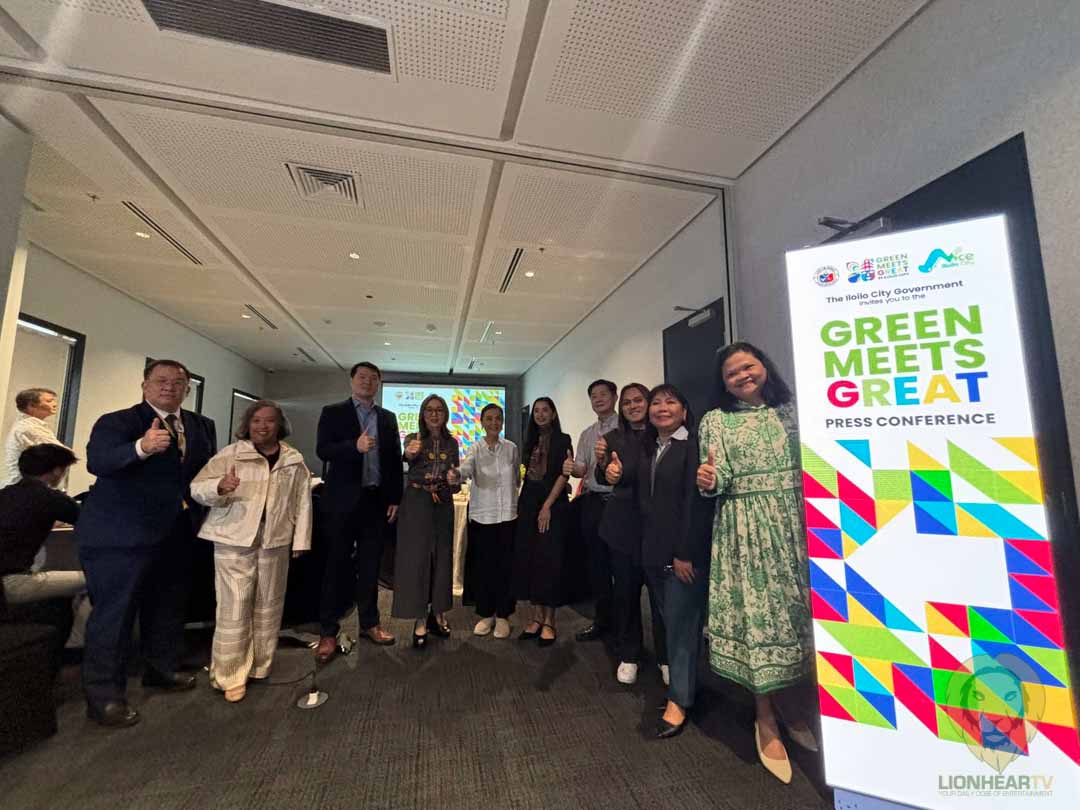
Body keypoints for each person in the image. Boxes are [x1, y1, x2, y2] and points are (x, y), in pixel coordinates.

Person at [696, 342, 816, 782]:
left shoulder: (795, 411)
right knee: (758, 622)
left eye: (748, 366)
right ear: (723, 383)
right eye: (732, 373)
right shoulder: (716, 420)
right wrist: (709, 478)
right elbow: (717, 478)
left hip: (799, 526)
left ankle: (792, 705)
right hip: (746, 531)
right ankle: (765, 717)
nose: (742, 376)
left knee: (798, 620)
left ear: (764, 366)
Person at [76, 359, 217, 727]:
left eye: (178, 382)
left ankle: (161, 669)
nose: (169, 387)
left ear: (187, 388)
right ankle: (104, 697)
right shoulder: (118, 422)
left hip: (176, 533)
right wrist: (141, 447)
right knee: (115, 616)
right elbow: (98, 462)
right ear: (145, 385)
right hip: (121, 536)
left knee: (167, 607)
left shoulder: (201, 426)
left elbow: (200, 475)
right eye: (161, 380)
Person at [190, 400, 312, 702]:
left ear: (279, 425)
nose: (262, 426)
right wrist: (220, 486)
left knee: (269, 604)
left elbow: (302, 502)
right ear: (248, 424)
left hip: (275, 540)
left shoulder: (293, 459)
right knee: (234, 606)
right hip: (233, 538)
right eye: (256, 420)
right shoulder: (231, 454)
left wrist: (300, 541)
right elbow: (197, 488)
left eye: (269, 420)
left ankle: (259, 666)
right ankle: (230, 675)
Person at [605, 384, 707, 739]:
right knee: (671, 621)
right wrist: (612, 472)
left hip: (680, 556)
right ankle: (684, 686)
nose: (662, 408)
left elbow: (694, 504)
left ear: (684, 410)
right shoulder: (650, 446)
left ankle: (679, 701)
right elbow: (631, 485)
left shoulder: (692, 446)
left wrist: (685, 553)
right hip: (652, 552)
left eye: (671, 402)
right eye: (658, 403)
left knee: (681, 628)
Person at [314, 361, 404, 661]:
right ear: (352, 380)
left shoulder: (388, 418)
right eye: (362, 377)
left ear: (378, 383)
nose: (367, 382)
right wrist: (354, 446)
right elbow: (323, 450)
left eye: (373, 378)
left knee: (370, 567)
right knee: (335, 566)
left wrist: (395, 498)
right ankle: (328, 632)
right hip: (341, 503)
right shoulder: (333, 412)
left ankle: (370, 624)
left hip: (375, 502)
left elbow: (393, 460)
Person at [592, 383, 667, 686]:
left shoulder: (662, 435)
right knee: (625, 594)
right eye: (627, 403)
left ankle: (666, 657)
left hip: (657, 529)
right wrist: (605, 469)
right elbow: (602, 475)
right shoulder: (612, 439)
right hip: (622, 528)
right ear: (621, 409)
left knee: (662, 598)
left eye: (638, 400)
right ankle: (629, 654)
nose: (633, 406)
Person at [0, 444, 83, 676]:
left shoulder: (5, 493)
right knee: (92, 580)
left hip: (5, 582)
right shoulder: (49, 497)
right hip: (12, 582)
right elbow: (88, 520)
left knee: (59, 594)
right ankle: (76, 648)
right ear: (56, 471)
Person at [392, 395, 461, 648]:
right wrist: (408, 453)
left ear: (445, 414)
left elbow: (455, 482)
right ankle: (420, 618)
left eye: (439, 410)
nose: (434, 414)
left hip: (443, 503)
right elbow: (407, 458)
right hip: (417, 502)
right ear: (422, 414)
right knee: (417, 560)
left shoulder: (452, 443)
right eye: (429, 410)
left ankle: (438, 613)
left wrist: (455, 480)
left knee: (442, 558)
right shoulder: (412, 439)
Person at [453, 403, 519, 639]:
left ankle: (503, 616)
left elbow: (516, 479)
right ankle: (486, 614)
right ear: (481, 422)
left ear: (502, 422)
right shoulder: (476, 448)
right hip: (482, 517)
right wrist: (456, 474)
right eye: (489, 418)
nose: (494, 422)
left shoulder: (511, 448)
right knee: (484, 569)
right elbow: (466, 468)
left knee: (505, 568)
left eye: (498, 418)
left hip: (508, 516)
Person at [512, 397, 572, 647]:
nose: (540, 414)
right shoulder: (529, 441)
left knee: (550, 561)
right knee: (531, 559)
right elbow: (525, 475)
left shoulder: (563, 439)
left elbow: (564, 474)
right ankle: (536, 617)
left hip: (553, 503)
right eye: (536, 411)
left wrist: (547, 506)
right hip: (528, 502)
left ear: (553, 414)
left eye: (545, 410)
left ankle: (550, 621)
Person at [565, 379, 619, 642]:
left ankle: (625, 624)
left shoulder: (626, 429)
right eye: (593, 396)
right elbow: (581, 468)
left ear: (614, 397)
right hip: (593, 502)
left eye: (603, 394)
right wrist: (571, 468)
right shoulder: (587, 434)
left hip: (619, 502)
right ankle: (602, 621)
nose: (598, 399)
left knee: (621, 566)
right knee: (597, 565)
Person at [2, 387, 67, 488]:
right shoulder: (29, 428)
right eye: (49, 401)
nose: (55, 404)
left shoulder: (29, 425)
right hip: (25, 488)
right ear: (31, 405)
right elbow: (64, 454)